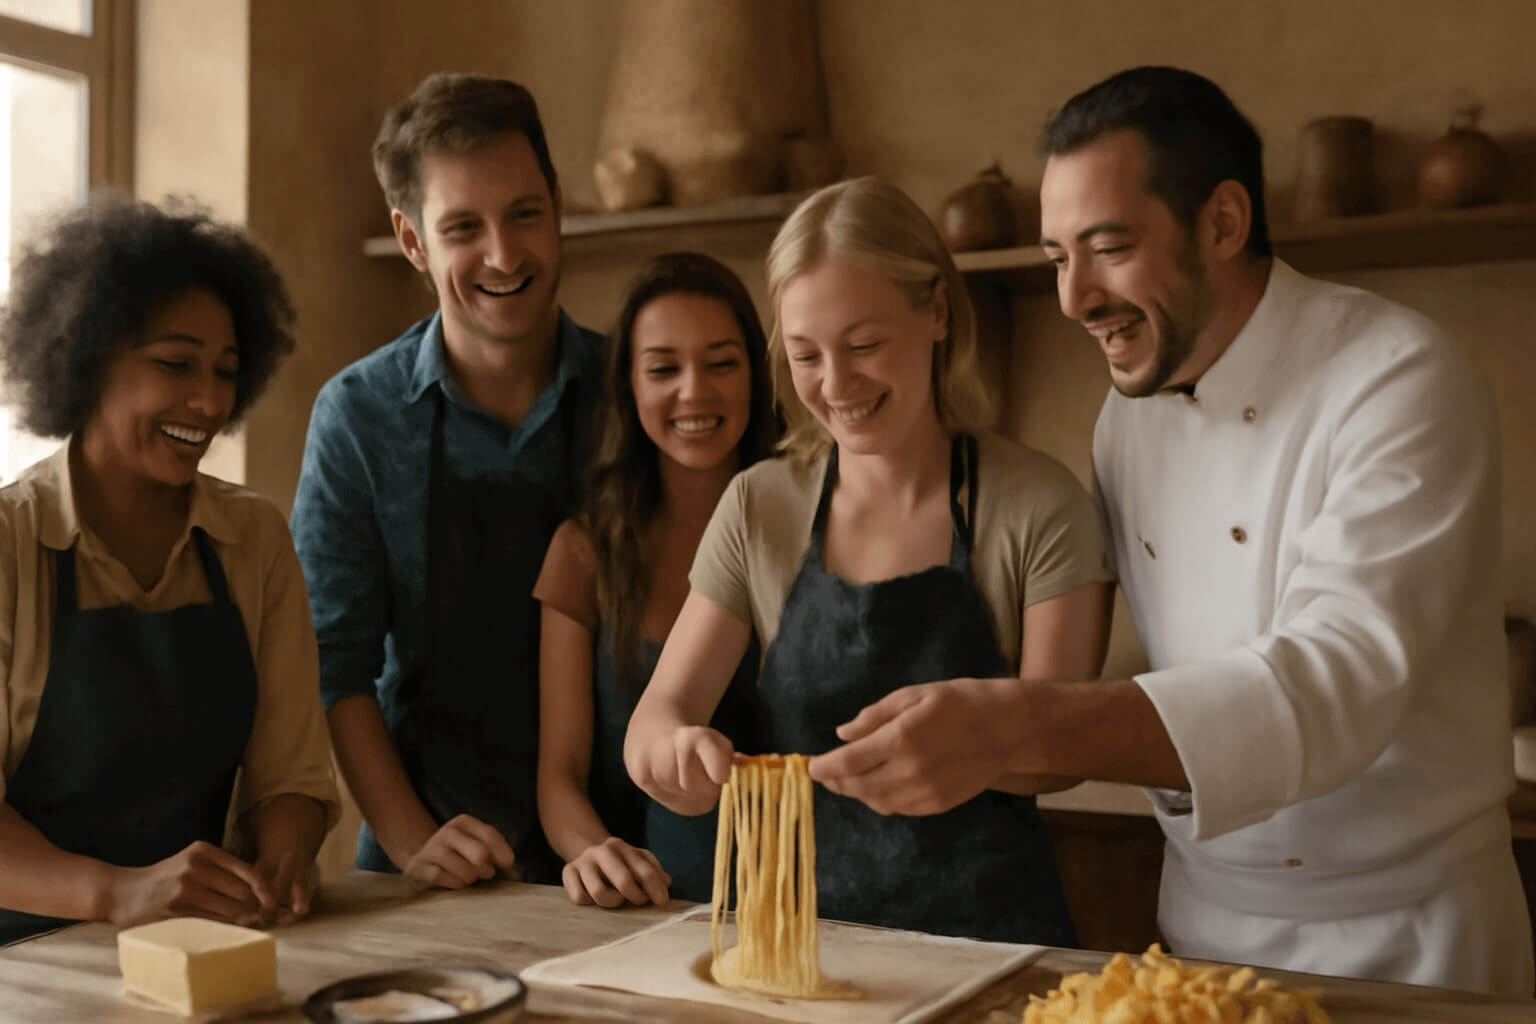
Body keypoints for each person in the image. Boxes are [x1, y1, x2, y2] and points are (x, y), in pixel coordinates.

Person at [810, 66, 1534, 993]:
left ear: (1223, 223)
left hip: (1405, 938)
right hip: (1200, 930)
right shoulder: (1127, 421)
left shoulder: (1398, 379)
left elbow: (1331, 684)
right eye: (1057, 258)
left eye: (1107, 248)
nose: (1074, 298)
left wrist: (1019, 724)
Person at [625, 178, 1114, 943]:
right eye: (805, 355)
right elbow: (658, 717)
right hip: (793, 948)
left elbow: (1062, 751)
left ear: (938, 314)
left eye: (863, 345)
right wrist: (673, 755)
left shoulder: (1038, 504)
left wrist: (967, 745)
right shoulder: (761, 506)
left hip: (990, 944)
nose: (836, 384)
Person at [0, 197, 340, 944]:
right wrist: (117, 893)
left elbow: (291, 777)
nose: (211, 401)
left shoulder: (252, 539)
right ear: (86, 360)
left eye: (226, 371)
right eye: (174, 364)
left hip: (191, 948)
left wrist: (285, 856)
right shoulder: (9, 545)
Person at [290, 73, 601, 888]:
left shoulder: (636, 394)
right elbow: (336, 666)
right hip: (428, 863)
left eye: (524, 213)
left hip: (620, 854)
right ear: (413, 241)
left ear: (558, 206)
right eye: (464, 227)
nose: (503, 254)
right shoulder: (357, 415)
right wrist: (412, 843)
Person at [534, 252, 776, 909]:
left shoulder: (811, 529)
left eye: (722, 362)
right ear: (628, 388)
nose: (694, 391)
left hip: (816, 907)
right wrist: (592, 852)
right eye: (664, 368)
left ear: (757, 374)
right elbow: (558, 776)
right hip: (648, 911)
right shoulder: (584, 550)